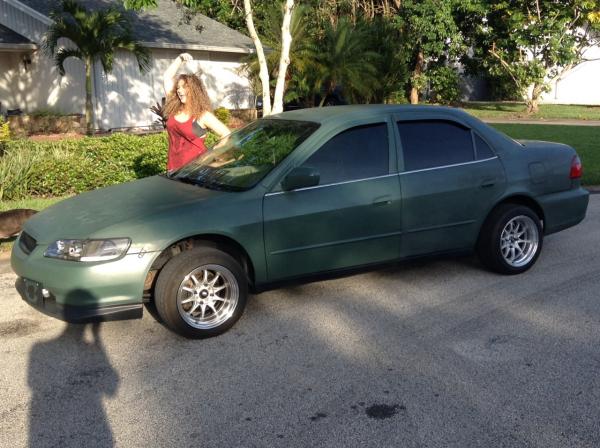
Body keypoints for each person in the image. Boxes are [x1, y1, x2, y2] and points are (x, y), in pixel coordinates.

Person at [163, 53, 230, 171]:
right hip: (173, 169)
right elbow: (166, 77)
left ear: (194, 91)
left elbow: (226, 134)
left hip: (196, 170)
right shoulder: (175, 108)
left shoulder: (202, 115)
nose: (180, 91)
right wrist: (179, 59)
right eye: (178, 88)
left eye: (184, 87)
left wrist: (212, 154)